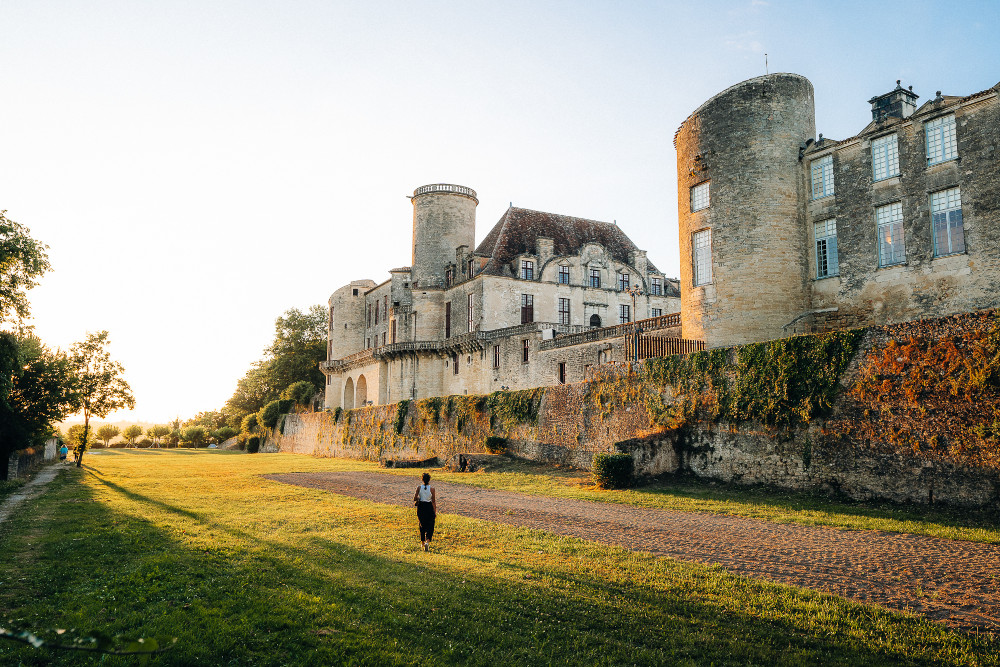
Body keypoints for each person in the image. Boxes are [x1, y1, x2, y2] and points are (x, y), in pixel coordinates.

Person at [412, 472, 437, 552]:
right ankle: (427, 541)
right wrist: (435, 511)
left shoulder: (419, 488)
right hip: (429, 507)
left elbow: (414, 498)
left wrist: (419, 498)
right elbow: (433, 501)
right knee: (430, 524)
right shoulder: (432, 489)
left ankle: (422, 542)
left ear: (422, 480)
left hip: (421, 507)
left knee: (422, 524)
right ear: (429, 480)